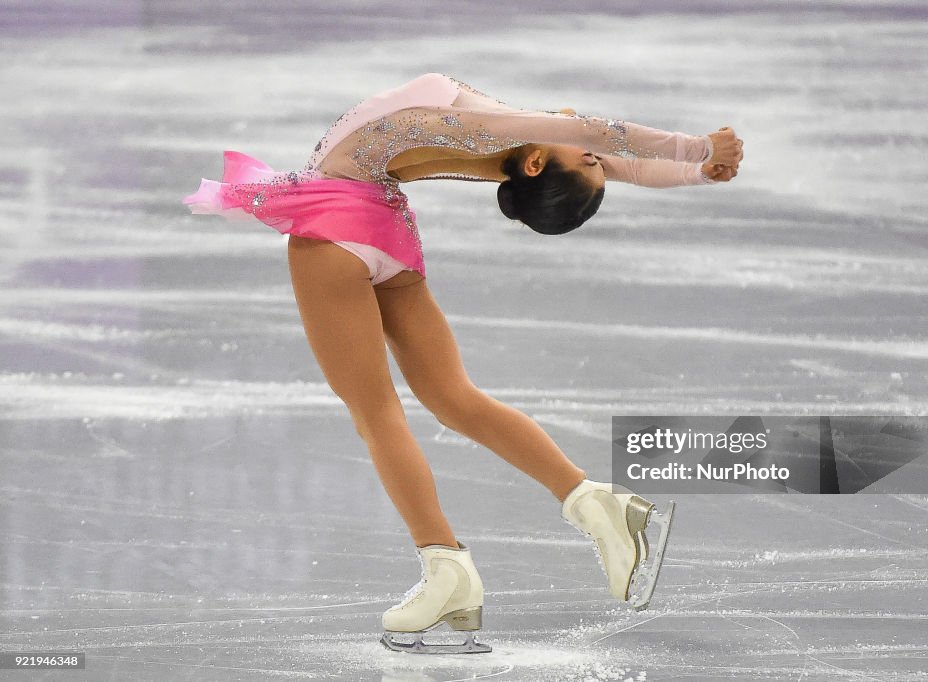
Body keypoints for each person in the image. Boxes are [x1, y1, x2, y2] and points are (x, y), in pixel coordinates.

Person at [183, 73, 743, 655]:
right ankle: (597, 505)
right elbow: (612, 154)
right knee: (454, 397)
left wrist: (699, 151)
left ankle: (445, 568)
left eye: (587, 158)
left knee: (376, 412)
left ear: (534, 168)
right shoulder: (514, 144)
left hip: (336, 222)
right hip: (385, 225)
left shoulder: (507, 133)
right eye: (593, 160)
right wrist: (695, 172)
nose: (595, 152)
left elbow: (594, 134)